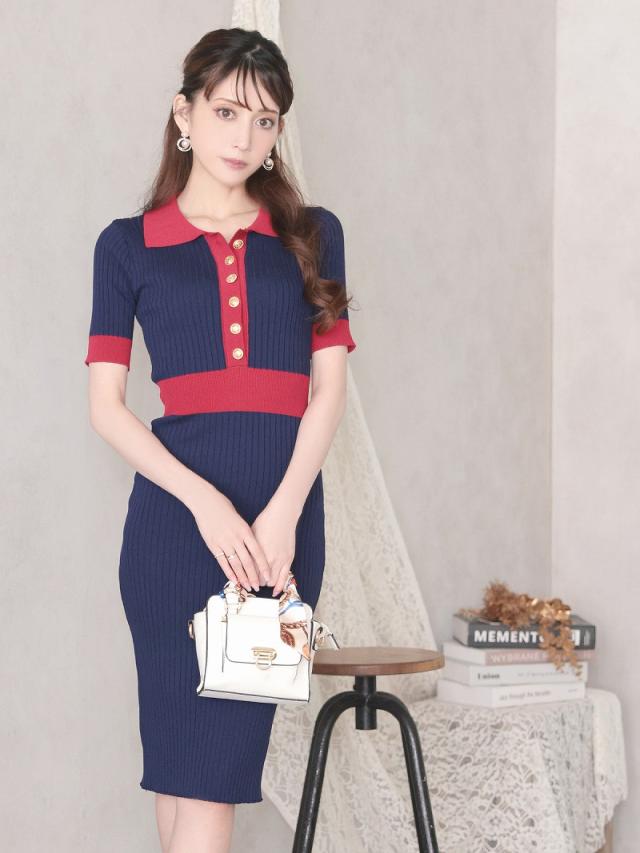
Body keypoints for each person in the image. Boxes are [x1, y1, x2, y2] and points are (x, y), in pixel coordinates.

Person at [84, 26, 357, 853]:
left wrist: (283, 514)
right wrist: (205, 503)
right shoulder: (126, 246)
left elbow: (328, 392)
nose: (246, 137)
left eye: (265, 120)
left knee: (208, 777)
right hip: (172, 536)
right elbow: (107, 408)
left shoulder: (314, 233)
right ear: (185, 114)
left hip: (276, 540)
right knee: (181, 779)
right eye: (228, 111)